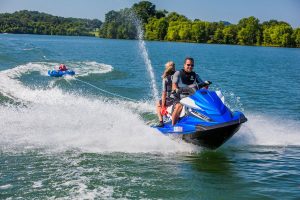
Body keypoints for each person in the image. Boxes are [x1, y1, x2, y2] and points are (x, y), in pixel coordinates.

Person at [171, 57, 205, 125]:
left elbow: (203, 84)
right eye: (188, 65)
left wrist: (206, 85)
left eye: (192, 65)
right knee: (179, 106)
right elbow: (174, 85)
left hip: (191, 97)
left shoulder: (195, 75)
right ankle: (173, 126)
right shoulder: (178, 73)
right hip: (178, 97)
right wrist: (176, 89)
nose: (190, 67)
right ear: (184, 65)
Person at [156, 61, 176, 127]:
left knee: (158, 104)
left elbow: (164, 93)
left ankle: (161, 122)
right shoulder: (178, 75)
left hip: (171, 99)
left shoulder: (166, 79)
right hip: (179, 98)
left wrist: (163, 106)